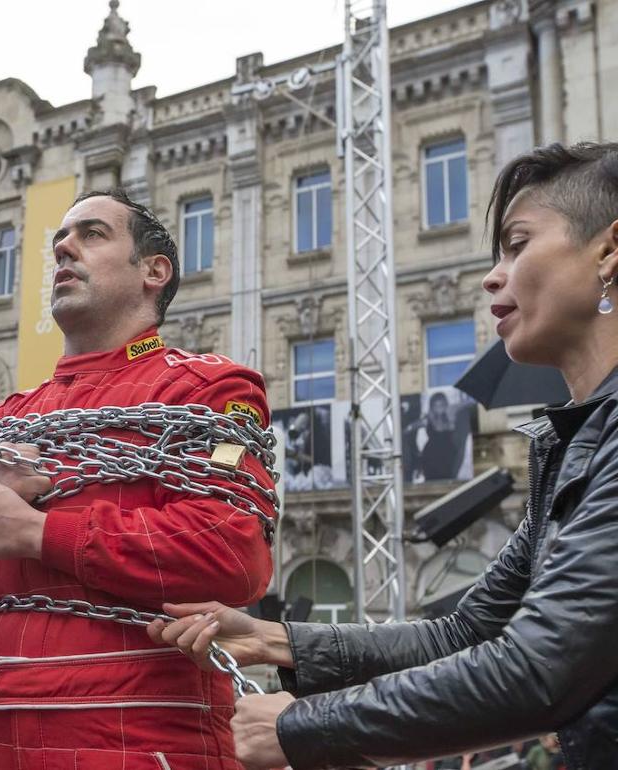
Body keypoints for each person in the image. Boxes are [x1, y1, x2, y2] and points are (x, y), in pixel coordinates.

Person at [149, 142, 618, 769]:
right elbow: (464, 634)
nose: (493, 275)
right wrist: (271, 639)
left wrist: (297, 728)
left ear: (609, 250)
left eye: (518, 244)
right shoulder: (571, 445)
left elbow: (539, 669)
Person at [0, 190, 279, 768]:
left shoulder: (208, 391)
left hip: (143, 747)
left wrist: (36, 532)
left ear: (154, 272)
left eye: (92, 234)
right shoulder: (9, 417)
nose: (64, 248)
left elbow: (233, 554)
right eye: (60, 239)